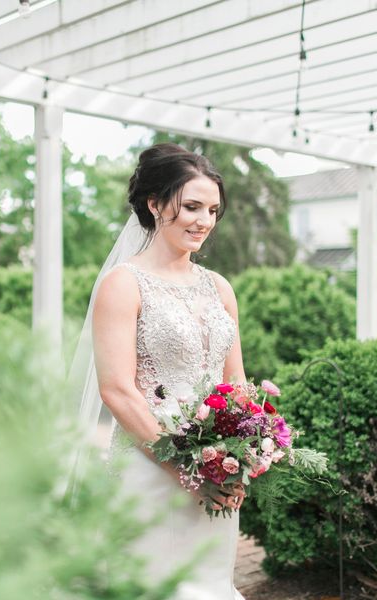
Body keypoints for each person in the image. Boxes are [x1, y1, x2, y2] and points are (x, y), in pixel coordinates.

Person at [90, 143, 248, 599]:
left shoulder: (220, 287)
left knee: (210, 585)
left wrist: (244, 454)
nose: (204, 221)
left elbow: (234, 385)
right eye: (192, 206)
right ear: (155, 204)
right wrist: (185, 470)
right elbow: (117, 390)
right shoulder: (123, 284)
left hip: (216, 472)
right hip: (151, 470)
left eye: (213, 210)